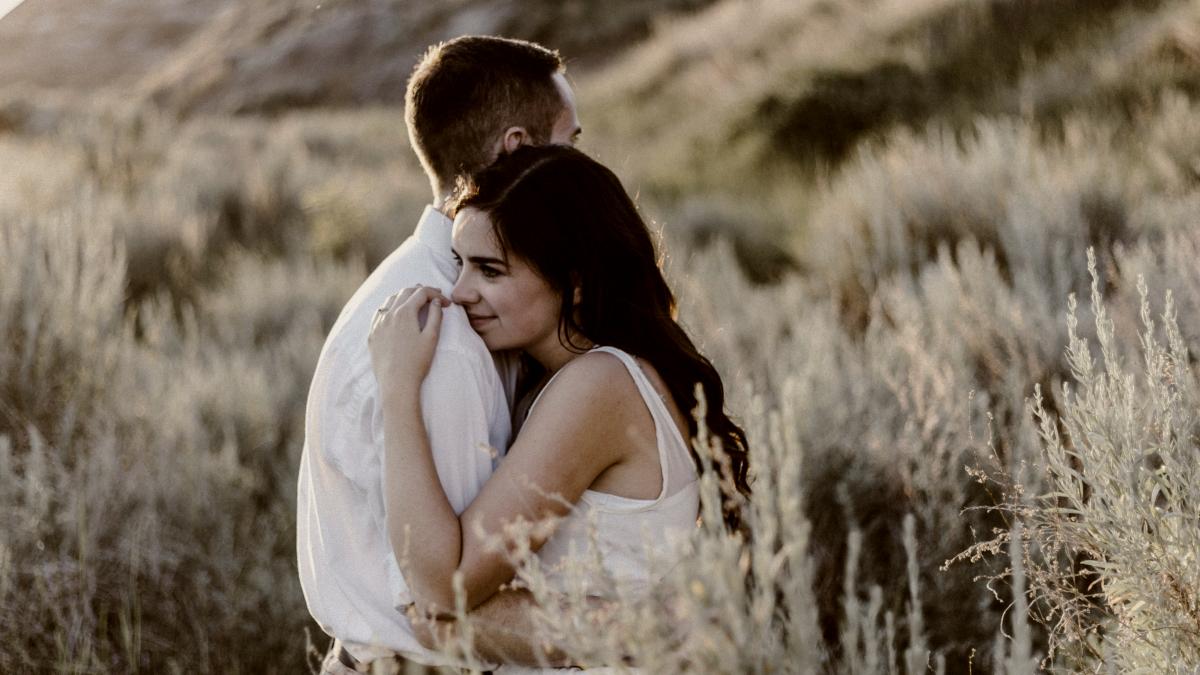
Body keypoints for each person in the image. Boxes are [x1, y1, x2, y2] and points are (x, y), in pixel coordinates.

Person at [367, 144, 753, 670]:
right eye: (461, 264)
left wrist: (397, 387)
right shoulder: (587, 378)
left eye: (490, 271)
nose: (459, 293)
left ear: (573, 283)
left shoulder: (598, 385)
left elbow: (444, 593)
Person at [296, 35, 581, 674]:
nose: (583, 169)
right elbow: (456, 600)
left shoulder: (446, 295)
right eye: (571, 145)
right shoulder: (443, 336)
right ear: (518, 150)